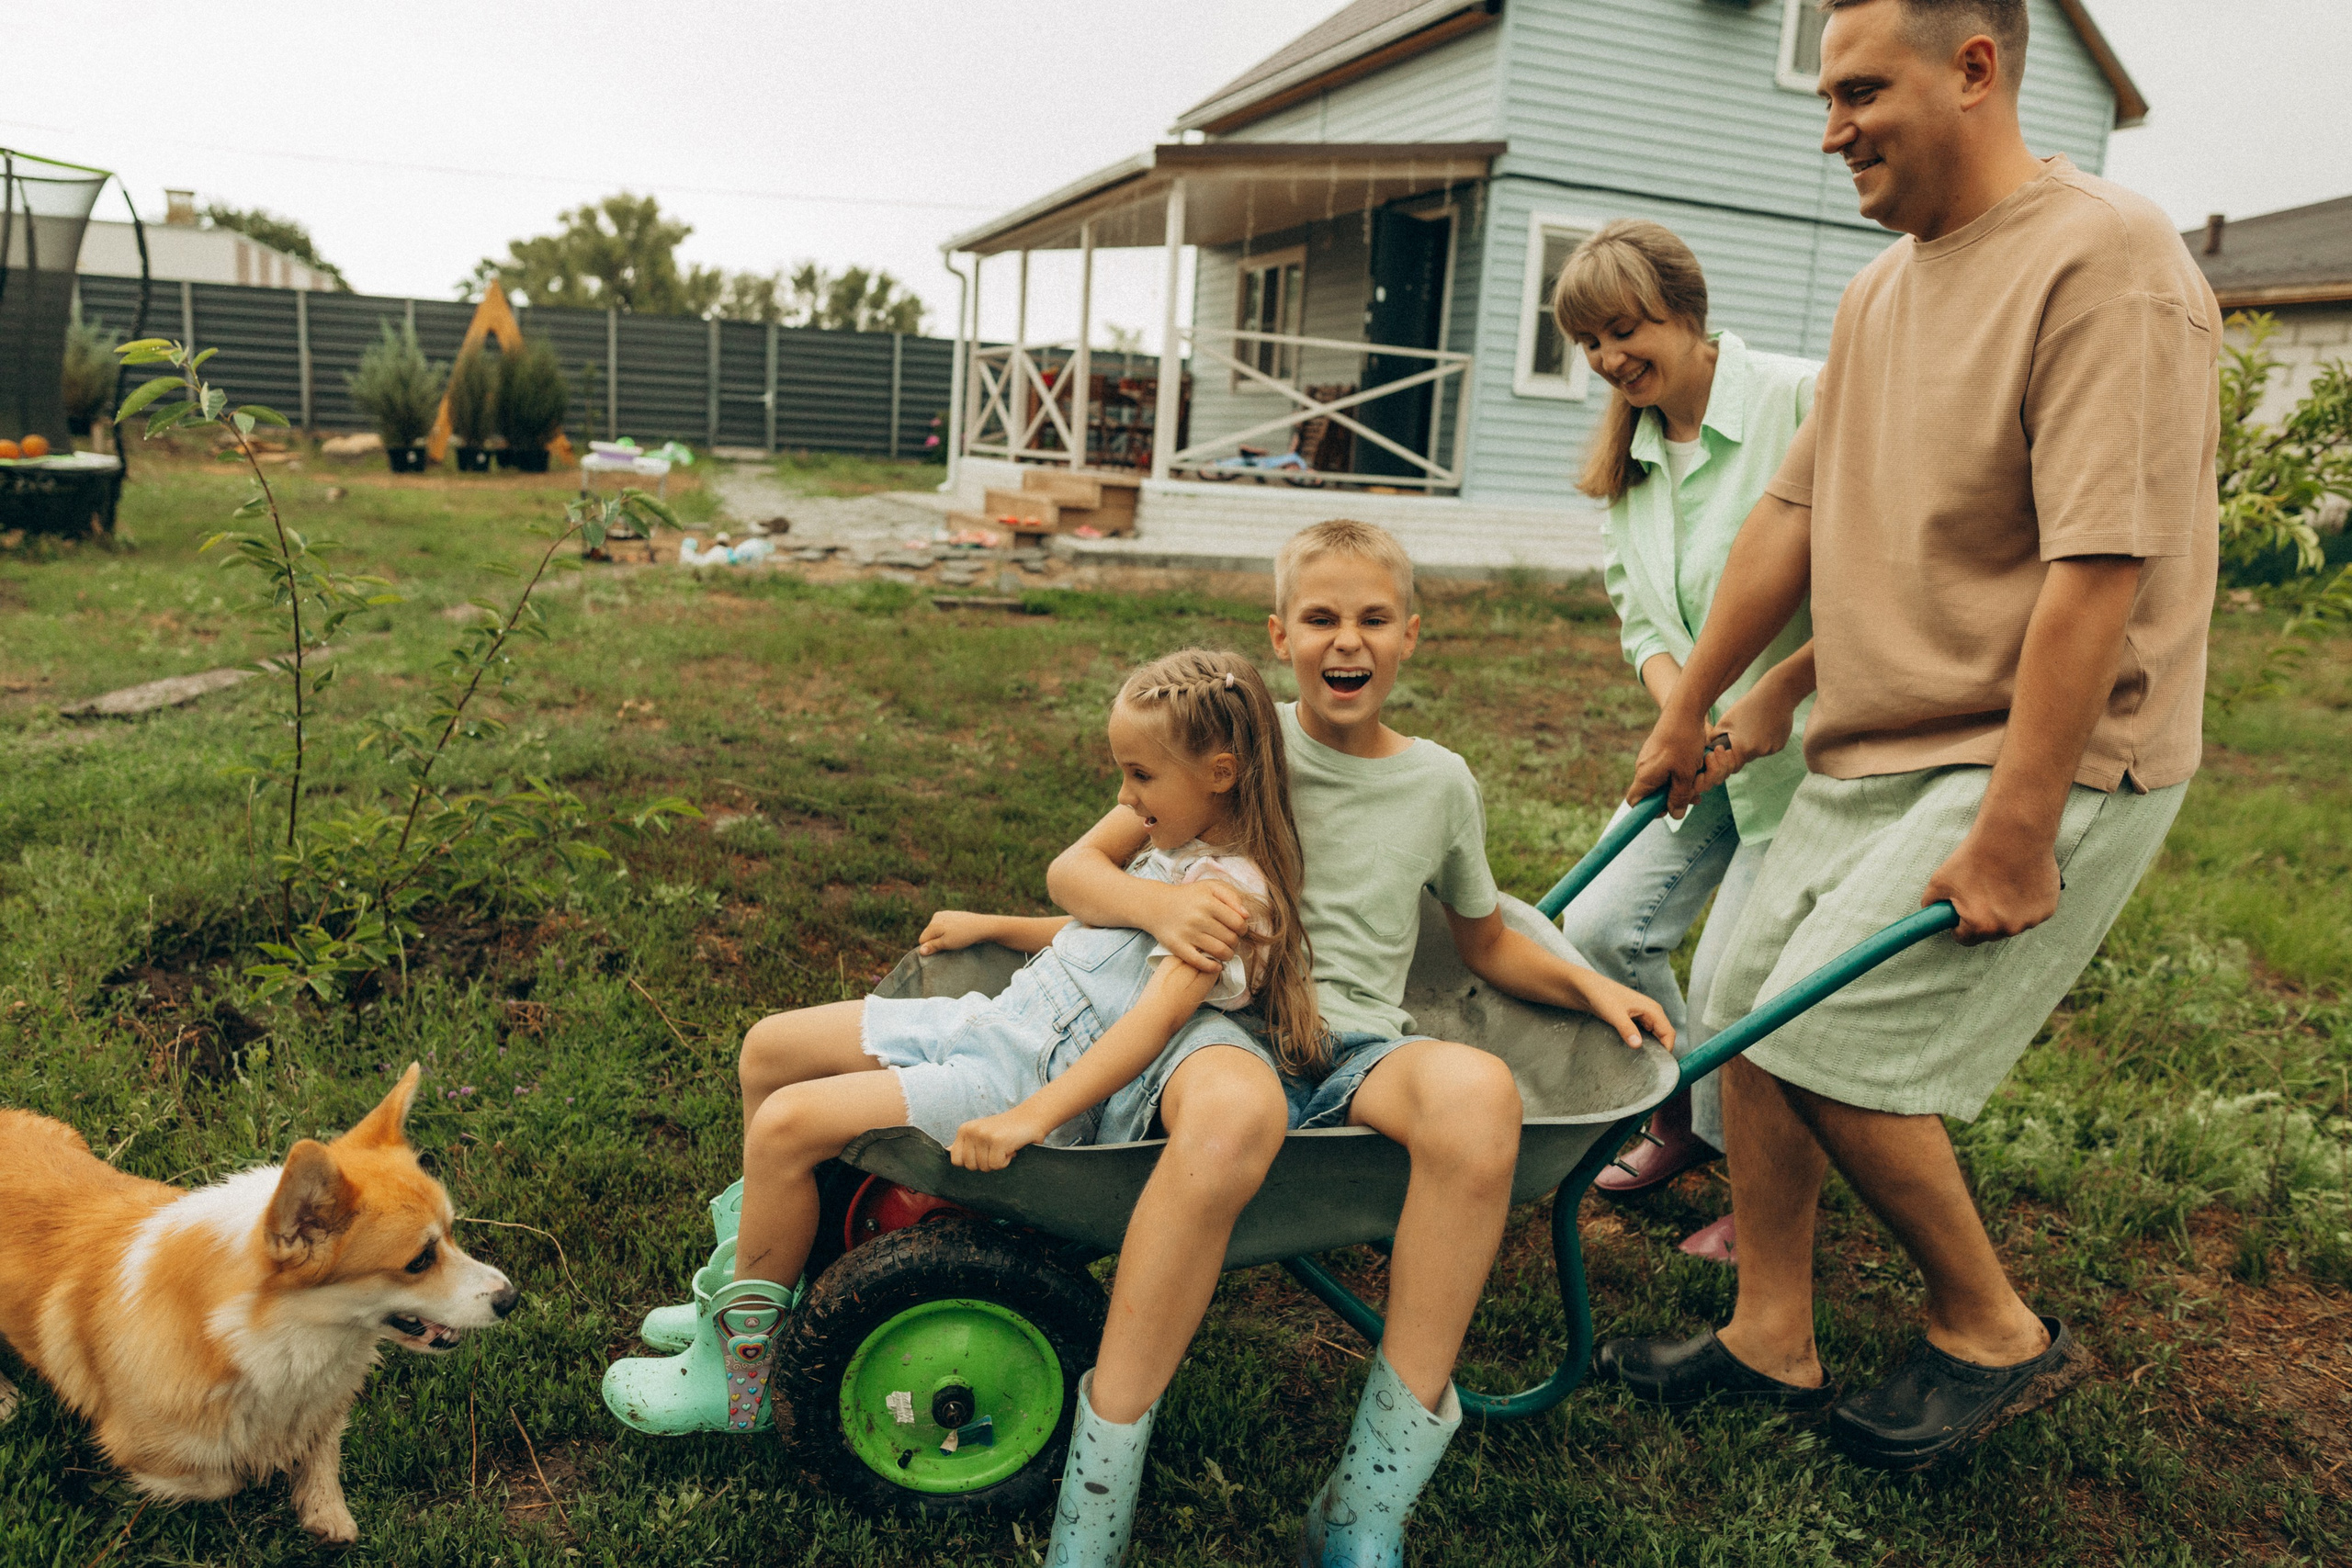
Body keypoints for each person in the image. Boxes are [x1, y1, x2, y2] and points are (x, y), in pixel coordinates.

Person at [1597, 0, 2219, 1472]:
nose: (1831, 131)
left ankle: (1993, 1327)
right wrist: (1702, 702)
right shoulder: (1882, 291)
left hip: (2046, 747)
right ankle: (1771, 1326)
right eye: (1827, 97)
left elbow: (2096, 568)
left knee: (1831, 1036)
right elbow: (1797, 517)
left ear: (1977, 67)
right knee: (1744, 1010)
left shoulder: (2106, 259)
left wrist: (2018, 823)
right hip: (1877, 737)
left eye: (1860, 91)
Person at [1051, 518, 1674, 1564]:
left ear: (1411, 636)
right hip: (1221, 1024)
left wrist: (1587, 985)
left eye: (1373, 619)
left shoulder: (1438, 783)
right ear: (1281, 634)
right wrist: (1158, 915)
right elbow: (1078, 873)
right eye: (1323, 619)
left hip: (1355, 1048)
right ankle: (1095, 1501)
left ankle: (1366, 1505)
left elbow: (1483, 944)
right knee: (1225, 1118)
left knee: (1478, 1096)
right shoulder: (1242, 746)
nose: (1349, 641)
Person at [601, 648, 1317, 1537]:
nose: (1124, 799)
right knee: (769, 1052)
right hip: (995, 1024)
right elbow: (1094, 917)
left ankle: (738, 1377)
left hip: (1022, 1076)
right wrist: (999, 927)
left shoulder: (1227, 898)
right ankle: (757, 1292)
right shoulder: (1176, 841)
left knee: (789, 1124)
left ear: (1221, 773)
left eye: (1139, 778)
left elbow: (1145, 1032)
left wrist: (1029, 1118)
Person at [1550, 220, 1822, 1261]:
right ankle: (1685, 1118)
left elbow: (1880, 580)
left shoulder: (1800, 400)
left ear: (1687, 311)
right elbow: (1640, 613)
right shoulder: (1636, 449)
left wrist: (1771, 698)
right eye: (1589, 344)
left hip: (1806, 756)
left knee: (1738, 990)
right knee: (1598, 930)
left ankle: (1765, 1195)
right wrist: (1680, 709)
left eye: (1626, 329)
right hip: (1701, 742)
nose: (1611, 360)